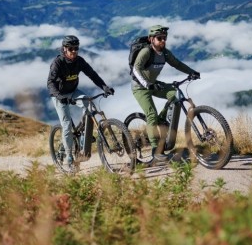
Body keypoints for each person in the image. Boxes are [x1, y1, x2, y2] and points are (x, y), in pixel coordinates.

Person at [131, 25, 200, 161]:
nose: (163, 41)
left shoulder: (165, 53)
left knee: (175, 94)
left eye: (164, 38)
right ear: (151, 39)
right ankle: (156, 151)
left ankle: (162, 120)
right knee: (151, 114)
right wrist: (147, 84)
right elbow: (136, 69)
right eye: (159, 38)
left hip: (153, 83)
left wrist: (191, 72)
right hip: (140, 87)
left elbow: (177, 64)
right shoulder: (146, 52)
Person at [47, 35, 115, 172]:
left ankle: (84, 136)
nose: (73, 51)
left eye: (76, 48)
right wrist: (59, 96)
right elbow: (50, 83)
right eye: (71, 49)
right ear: (64, 49)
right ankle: (70, 159)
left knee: (90, 105)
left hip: (73, 91)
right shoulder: (58, 63)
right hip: (59, 95)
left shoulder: (79, 61)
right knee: (66, 125)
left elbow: (93, 75)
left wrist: (105, 87)